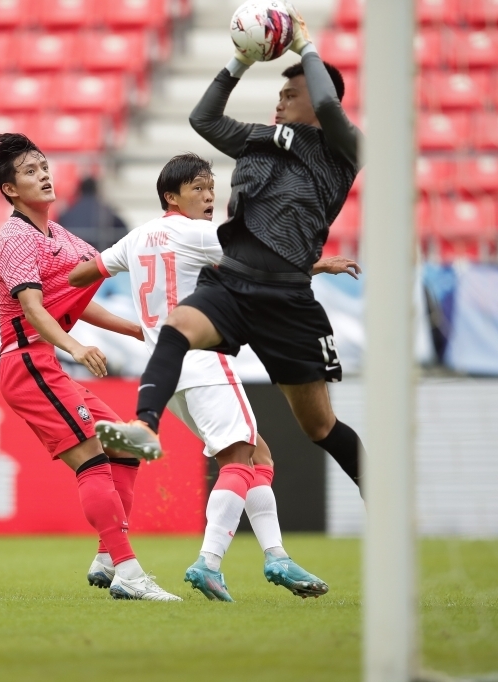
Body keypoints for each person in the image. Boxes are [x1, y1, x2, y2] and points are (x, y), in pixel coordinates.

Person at [95, 7, 367, 496]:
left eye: (291, 93)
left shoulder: (343, 150)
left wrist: (305, 46)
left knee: (320, 427)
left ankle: (381, 495)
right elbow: (203, 118)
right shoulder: (260, 139)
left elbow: (328, 109)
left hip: (287, 299)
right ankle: (145, 426)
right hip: (234, 283)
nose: (279, 102)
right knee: (177, 327)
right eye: (279, 93)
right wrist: (239, 62)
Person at [70, 153, 356, 601]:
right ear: (172, 195)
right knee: (239, 461)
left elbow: (81, 273)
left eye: (211, 187)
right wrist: (322, 264)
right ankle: (209, 561)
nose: (209, 196)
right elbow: (268, 255)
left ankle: (276, 556)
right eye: (199, 188)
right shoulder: (201, 234)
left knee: (259, 457)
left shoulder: (137, 237)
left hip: (166, 373)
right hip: (205, 361)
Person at [0, 132, 181, 602]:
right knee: (92, 459)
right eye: (30, 171)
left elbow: (78, 295)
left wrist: (132, 329)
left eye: (44, 166)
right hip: (27, 362)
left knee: (130, 446)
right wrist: (74, 345)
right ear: (10, 189)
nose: (44, 174)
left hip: (44, 361)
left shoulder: (58, 235)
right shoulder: (14, 237)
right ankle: (128, 571)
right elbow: (33, 307)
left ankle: (108, 556)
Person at [57, 177, 128, 251]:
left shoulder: (67, 213)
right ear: (97, 190)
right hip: (97, 256)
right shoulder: (105, 211)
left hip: (72, 255)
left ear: (79, 191)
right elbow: (124, 235)